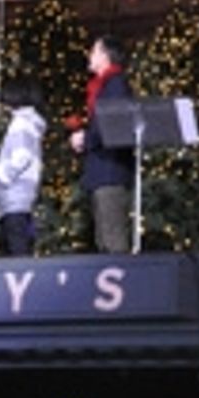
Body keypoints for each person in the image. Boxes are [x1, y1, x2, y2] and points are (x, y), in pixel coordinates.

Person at [69, 34, 133, 254]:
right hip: (102, 170)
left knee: (112, 236)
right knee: (104, 236)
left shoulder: (114, 85)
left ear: (106, 56)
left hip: (111, 170)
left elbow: (112, 124)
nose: (90, 55)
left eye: (94, 50)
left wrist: (86, 139)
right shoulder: (103, 86)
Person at [0, 76, 45, 256]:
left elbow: (21, 157)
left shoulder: (21, 124)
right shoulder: (29, 123)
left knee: (17, 250)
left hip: (14, 196)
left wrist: (1, 179)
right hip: (22, 196)